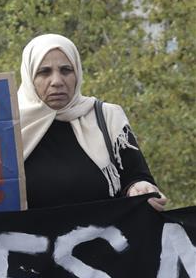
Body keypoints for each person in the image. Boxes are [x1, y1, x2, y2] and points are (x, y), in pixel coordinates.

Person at [18, 33, 166, 210]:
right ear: (29, 77)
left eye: (66, 70)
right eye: (44, 72)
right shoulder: (8, 128)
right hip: (32, 237)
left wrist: (140, 188)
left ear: (78, 73)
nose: (57, 81)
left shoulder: (107, 117)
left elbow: (135, 176)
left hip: (103, 237)